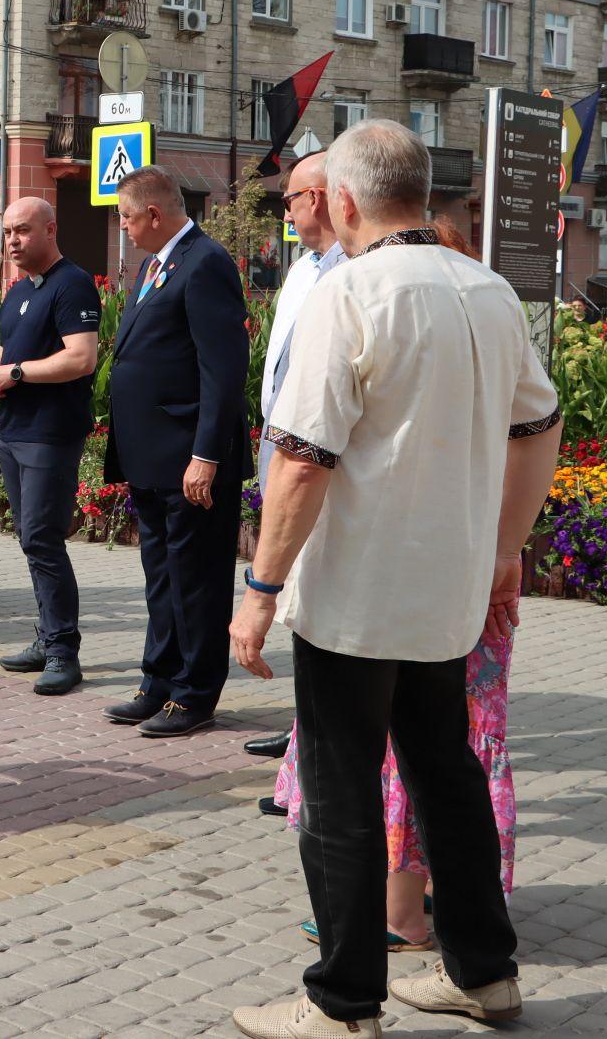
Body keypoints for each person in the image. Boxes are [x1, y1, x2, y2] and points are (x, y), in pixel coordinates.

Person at [226, 123, 560, 1039]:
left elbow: (299, 462)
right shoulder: (490, 291)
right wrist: (505, 544)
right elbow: (541, 427)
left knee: (340, 790)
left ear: (342, 200)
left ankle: (341, 1001)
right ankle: (485, 973)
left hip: (357, 592)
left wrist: (259, 588)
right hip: (449, 586)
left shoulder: (351, 294)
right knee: (443, 773)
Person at [101, 167, 249, 738]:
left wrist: (207, 454)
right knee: (161, 575)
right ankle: (157, 680)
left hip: (189, 457)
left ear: (155, 215)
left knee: (196, 579)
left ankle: (195, 692)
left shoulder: (205, 262)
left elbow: (222, 369)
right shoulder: (156, 263)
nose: (124, 227)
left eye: (127, 217)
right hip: (152, 456)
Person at [244, 152, 346, 769]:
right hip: (280, 436)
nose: (284, 209)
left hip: (313, 449)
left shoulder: (352, 271)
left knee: (311, 589)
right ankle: (306, 730)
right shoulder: (306, 268)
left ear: (319, 197)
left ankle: (316, 742)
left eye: (289, 197)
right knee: (302, 593)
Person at [0, 199, 101, 696]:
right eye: (8, 231)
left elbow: (81, 358)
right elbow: (13, 350)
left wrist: (14, 372)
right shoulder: (17, 291)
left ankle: (63, 651)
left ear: (51, 229)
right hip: (14, 432)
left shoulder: (72, 283)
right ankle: (46, 635)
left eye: (23, 231)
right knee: (31, 540)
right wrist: (2, 366)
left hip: (51, 434)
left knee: (43, 539)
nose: (13, 240)